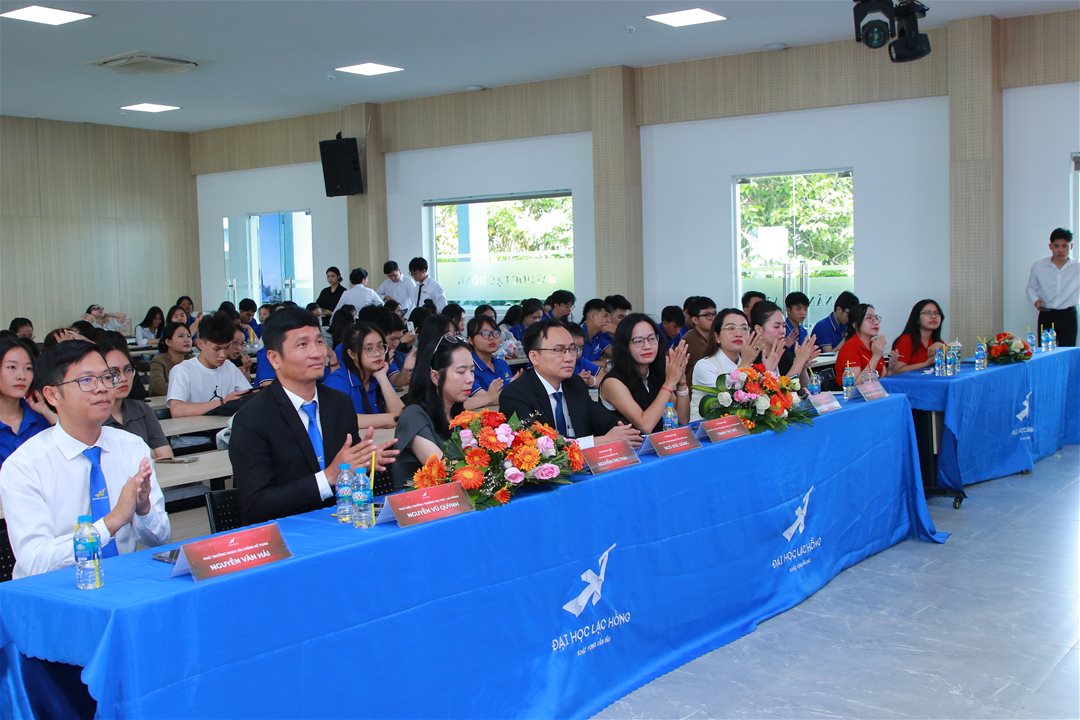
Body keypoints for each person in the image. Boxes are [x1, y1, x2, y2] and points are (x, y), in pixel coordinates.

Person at [0, 340, 170, 579]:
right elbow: (35, 562)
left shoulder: (132, 447)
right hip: (55, 591)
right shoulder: (24, 465)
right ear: (52, 394)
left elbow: (160, 539)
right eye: (87, 380)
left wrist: (144, 509)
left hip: (121, 582)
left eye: (107, 377)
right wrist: (110, 523)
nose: (102, 388)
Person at [229, 309, 398, 524]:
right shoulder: (252, 419)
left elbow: (349, 472)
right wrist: (328, 477)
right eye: (302, 345)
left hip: (341, 523)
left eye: (319, 342)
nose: (317, 353)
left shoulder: (339, 404)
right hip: (287, 532)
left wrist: (364, 462)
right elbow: (256, 505)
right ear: (274, 358)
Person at [500, 320, 641, 448]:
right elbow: (536, 446)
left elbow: (604, 420)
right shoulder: (515, 394)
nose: (569, 358)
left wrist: (624, 431)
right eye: (558, 350)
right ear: (534, 356)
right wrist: (601, 441)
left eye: (572, 349)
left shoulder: (575, 384)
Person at [391, 334, 473, 492]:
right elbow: (444, 470)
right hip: (420, 503)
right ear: (435, 377)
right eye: (461, 372)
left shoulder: (460, 416)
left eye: (472, 371)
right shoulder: (412, 415)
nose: (470, 379)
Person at [598, 314, 689, 433]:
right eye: (638, 341)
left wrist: (682, 384)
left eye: (652, 339)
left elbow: (682, 420)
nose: (647, 346)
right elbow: (645, 426)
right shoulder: (612, 382)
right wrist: (669, 383)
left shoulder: (656, 372)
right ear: (624, 345)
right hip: (627, 444)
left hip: (658, 442)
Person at [98, 338, 173, 459]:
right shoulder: (91, 419)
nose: (123, 378)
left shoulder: (142, 409)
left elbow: (166, 456)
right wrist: (148, 452)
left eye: (128, 370)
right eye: (113, 372)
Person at [166, 313, 252, 417]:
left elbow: (248, 397)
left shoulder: (229, 366)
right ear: (201, 344)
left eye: (227, 347)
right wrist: (222, 402)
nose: (223, 355)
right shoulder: (182, 370)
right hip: (196, 427)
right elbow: (176, 410)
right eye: (217, 349)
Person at [323, 323, 404, 429]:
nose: (378, 353)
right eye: (369, 349)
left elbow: (402, 417)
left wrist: (382, 378)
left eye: (380, 346)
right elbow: (340, 419)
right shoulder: (338, 382)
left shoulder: (377, 377)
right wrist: (389, 419)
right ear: (352, 354)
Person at [0, 337, 54, 468]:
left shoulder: (41, 416)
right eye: (12, 367)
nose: (22, 376)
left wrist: (48, 413)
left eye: (28, 368)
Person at [1026, 227, 1078, 347]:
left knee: (1067, 352)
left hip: (1068, 315)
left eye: (1064, 246)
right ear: (1050, 246)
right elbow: (1031, 288)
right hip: (1047, 314)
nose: (1060, 250)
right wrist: (1035, 300)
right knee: (1045, 351)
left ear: (1071, 246)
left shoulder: (1077, 267)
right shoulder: (1039, 266)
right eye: (1056, 246)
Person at [750, 300, 820, 382]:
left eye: (784, 326)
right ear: (759, 329)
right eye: (776, 327)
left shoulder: (784, 352)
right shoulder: (751, 357)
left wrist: (802, 367)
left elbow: (803, 388)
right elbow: (776, 389)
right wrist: (799, 362)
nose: (782, 331)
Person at [466, 315, 515, 409]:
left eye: (495, 333)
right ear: (471, 340)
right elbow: (489, 399)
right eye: (485, 333)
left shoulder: (502, 363)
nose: (492, 338)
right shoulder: (468, 367)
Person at [835, 303, 893, 384]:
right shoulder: (850, 348)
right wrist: (876, 356)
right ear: (855, 324)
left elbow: (882, 379)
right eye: (869, 318)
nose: (876, 322)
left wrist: (891, 368)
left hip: (875, 390)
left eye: (876, 318)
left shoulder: (874, 346)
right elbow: (855, 385)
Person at [890, 300, 948, 374]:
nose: (933, 316)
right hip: (910, 380)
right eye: (927, 313)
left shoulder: (938, 341)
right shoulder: (906, 340)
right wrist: (926, 363)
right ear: (917, 319)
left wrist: (943, 347)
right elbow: (898, 370)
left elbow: (952, 363)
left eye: (937, 313)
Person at [149, 322, 194, 397]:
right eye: (181, 336)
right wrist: (189, 388)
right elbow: (158, 387)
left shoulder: (193, 360)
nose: (187, 340)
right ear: (168, 342)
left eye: (189, 336)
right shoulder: (159, 360)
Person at [682, 296, 718, 387]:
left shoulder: (714, 335)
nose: (713, 318)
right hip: (697, 390)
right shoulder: (690, 339)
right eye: (707, 315)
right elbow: (714, 361)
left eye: (714, 314)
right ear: (695, 320)